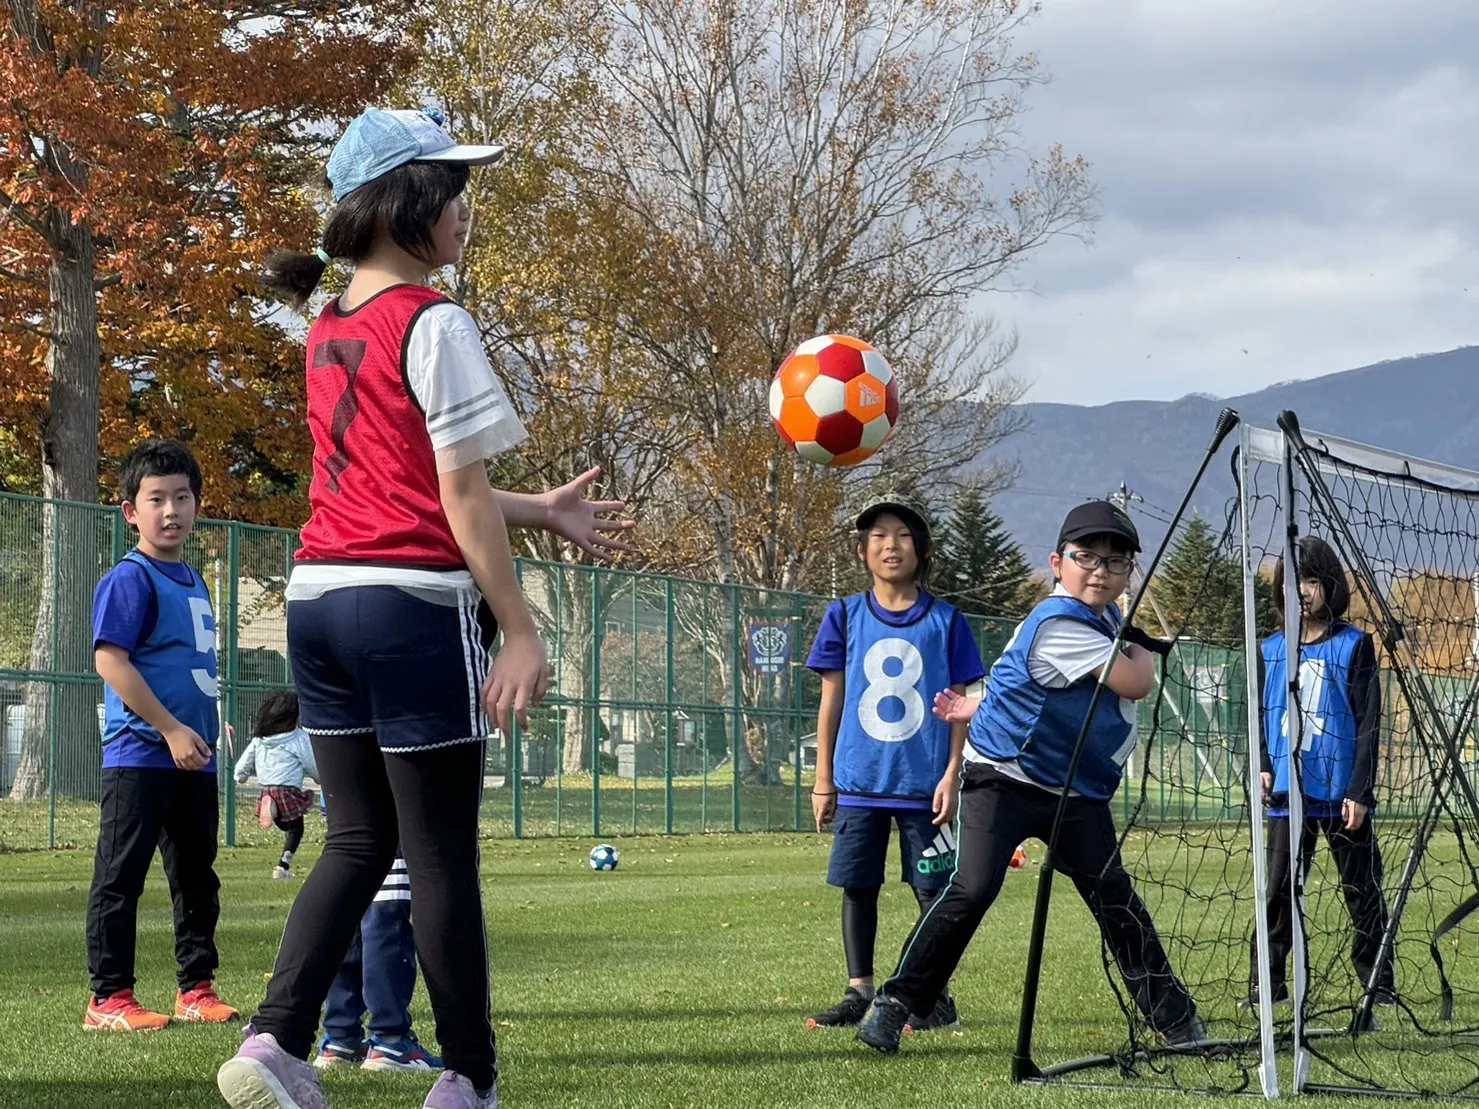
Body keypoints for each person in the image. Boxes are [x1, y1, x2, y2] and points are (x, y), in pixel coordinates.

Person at [216, 106, 632, 1109]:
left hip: (320, 601)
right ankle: (466, 1078)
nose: (463, 208)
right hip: (409, 606)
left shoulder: (328, 323)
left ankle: (274, 1041)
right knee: (439, 853)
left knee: (359, 838)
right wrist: (519, 626)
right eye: (450, 189)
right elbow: (454, 492)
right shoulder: (434, 321)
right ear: (404, 204)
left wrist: (541, 508)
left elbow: (406, 480)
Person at [855, 500, 1206, 1053]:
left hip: (1073, 791)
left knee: (1114, 897)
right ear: (1057, 563)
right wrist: (1141, 646)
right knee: (972, 888)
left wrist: (979, 705)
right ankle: (895, 1004)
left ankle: (1176, 1020)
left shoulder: (1100, 620)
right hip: (1005, 779)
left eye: (1116, 562)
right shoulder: (1062, 623)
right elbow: (1136, 681)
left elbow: (1018, 680)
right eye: (1086, 557)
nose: (1101, 571)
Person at [805, 497, 986, 1033]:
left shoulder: (947, 621)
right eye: (879, 535)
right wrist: (823, 780)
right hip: (859, 783)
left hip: (924, 786)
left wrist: (952, 773)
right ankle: (859, 991)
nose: (891, 545)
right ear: (863, 551)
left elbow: (960, 706)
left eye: (903, 535)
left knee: (934, 893)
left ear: (921, 550)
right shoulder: (843, 615)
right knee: (858, 886)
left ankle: (935, 998)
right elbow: (832, 701)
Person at [85, 439, 239, 1031]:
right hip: (141, 755)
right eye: (156, 499)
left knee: (197, 878)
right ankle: (109, 998)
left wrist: (204, 724)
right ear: (131, 511)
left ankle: (195, 988)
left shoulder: (195, 578)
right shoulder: (130, 579)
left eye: (181, 497)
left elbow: (187, 665)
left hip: (193, 757)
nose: (170, 511)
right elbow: (110, 661)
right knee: (120, 877)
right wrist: (170, 728)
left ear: (197, 503)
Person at [1250, 535, 1394, 1016]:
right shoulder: (1270, 650)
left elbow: (1368, 721)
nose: (1302, 591)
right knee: (1278, 892)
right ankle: (1266, 984)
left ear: (1330, 585)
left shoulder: (1354, 646)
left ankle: (1378, 984)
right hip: (1288, 792)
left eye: (1311, 580)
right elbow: (1260, 715)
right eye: (1293, 581)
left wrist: (1360, 790)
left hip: (1340, 794)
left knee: (1363, 891)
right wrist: (1264, 765)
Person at [233, 691, 318, 879]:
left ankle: (271, 807)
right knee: (296, 830)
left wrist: (240, 777)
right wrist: (320, 778)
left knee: (285, 825)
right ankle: (282, 868)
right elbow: (311, 763)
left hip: (267, 790)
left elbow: (242, 765)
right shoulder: (298, 737)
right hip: (288, 790)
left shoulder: (260, 739)